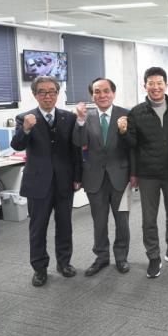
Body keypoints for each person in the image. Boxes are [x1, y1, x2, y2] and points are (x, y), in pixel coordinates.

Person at [10, 76, 82, 287]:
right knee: (38, 228)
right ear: (35, 94)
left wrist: (78, 177)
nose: (47, 96)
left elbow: (75, 150)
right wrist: (26, 129)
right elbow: (17, 146)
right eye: (42, 92)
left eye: (52, 91)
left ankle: (64, 263)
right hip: (37, 183)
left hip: (64, 181)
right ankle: (39, 269)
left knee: (65, 225)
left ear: (57, 94)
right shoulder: (25, 118)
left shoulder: (69, 118)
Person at [118, 67, 168, 278]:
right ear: (145, 85)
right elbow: (132, 145)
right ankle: (154, 257)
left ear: (166, 85)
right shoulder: (136, 112)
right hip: (148, 174)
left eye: (159, 83)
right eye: (151, 83)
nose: (155, 87)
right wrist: (123, 132)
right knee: (149, 219)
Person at [73, 78, 132, 276]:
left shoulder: (126, 114)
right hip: (94, 178)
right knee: (99, 222)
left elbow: (134, 146)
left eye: (106, 91)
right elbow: (78, 142)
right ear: (92, 95)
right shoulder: (85, 117)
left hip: (121, 177)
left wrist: (135, 174)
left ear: (113, 93)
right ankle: (101, 257)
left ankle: (121, 257)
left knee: (122, 221)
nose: (102, 95)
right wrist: (80, 121)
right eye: (97, 92)